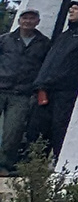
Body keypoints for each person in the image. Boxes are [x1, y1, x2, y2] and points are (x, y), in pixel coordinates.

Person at [29, 1, 78, 163]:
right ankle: (34, 168)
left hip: (66, 92)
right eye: (71, 9)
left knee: (60, 130)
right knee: (37, 132)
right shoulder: (64, 35)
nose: (71, 11)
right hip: (46, 90)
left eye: (76, 9)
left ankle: (60, 166)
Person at [0, 10, 51, 168]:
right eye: (24, 18)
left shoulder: (44, 43)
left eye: (32, 18)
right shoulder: (4, 40)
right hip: (1, 87)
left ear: (38, 21)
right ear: (19, 20)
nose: (27, 21)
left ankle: (4, 165)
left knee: (13, 132)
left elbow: (46, 67)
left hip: (22, 94)